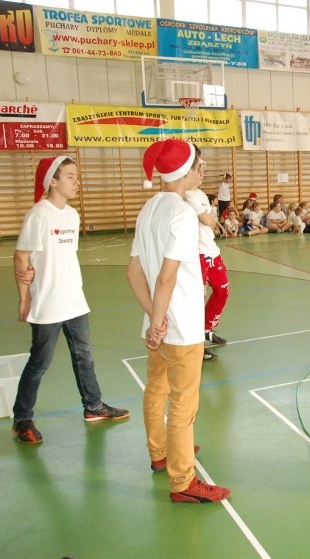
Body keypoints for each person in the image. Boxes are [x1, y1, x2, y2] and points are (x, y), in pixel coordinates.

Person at [126, 138, 231, 503]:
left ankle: (160, 453)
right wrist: (162, 321)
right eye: (197, 165)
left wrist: (153, 321)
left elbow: (133, 273)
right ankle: (183, 482)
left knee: (156, 391)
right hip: (181, 326)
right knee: (184, 404)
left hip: (158, 325)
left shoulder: (149, 209)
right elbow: (167, 277)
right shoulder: (183, 213)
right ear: (185, 171)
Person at [11, 157, 130, 445]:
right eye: (70, 176)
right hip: (48, 303)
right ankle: (21, 419)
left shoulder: (72, 216)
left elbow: (63, 257)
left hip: (74, 299)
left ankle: (93, 406)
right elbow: (22, 257)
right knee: (40, 362)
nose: (77, 181)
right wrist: (24, 298)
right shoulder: (39, 215)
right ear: (53, 181)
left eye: (77, 176)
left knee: (84, 357)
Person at [184, 151, 230, 362]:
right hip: (197, 254)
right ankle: (196, 345)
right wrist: (210, 218)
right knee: (196, 299)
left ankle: (206, 329)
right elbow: (207, 219)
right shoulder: (186, 195)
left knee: (222, 290)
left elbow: (211, 219)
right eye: (199, 170)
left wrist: (213, 220)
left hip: (212, 251)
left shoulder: (201, 194)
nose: (202, 174)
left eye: (204, 170)